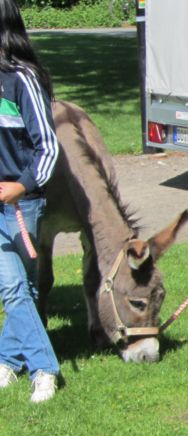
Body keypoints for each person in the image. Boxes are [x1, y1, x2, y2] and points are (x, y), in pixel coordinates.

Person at [0, 0, 61, 403]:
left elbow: (48, 149)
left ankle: (10, 360)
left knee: (26, 290)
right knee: (12, 289)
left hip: (22, 203)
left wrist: (20, 187)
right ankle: (44, 369)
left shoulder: (22, 80)